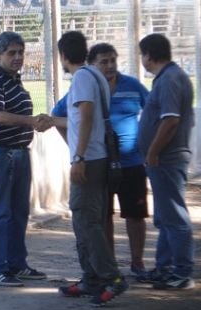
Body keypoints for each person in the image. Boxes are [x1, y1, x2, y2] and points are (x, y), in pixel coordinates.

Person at [51, 43, 150, 277]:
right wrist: (77, 150)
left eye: (113, 60)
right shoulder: (89, 85)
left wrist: (147, 145)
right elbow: (61, 116)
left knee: (135, 215)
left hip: (131, 162)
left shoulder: (131, 86)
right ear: (93, 64)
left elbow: (152, 111)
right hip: (102, 162)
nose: (110, 66)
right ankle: (108, 265)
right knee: (101, 217)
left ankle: (137, 263)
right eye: (104, 61)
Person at [55, 31, 128, 305]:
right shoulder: (94, 75)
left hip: (90, 159)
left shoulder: (83, 78)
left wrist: (79, 157)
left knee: (87, 220)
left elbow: (85, 115)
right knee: (83, 220)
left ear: (62, 55)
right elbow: (80, 120)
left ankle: (112, 277)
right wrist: (51, 122)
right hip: (95, 156)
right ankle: (92, 278)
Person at [0, 31, 53, 287]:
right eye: (12, 53)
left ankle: (16, 264)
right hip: (1, 153)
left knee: (18, 213)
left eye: (21, 52)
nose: (18, 57)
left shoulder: (12, 79)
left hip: (19, 152)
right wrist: (31, 121)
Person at [135, 33, 196, 290]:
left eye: (143, 55)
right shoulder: (168, 78)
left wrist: (153, 152)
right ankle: (165, 267)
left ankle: (182, 271)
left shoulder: (170, 80)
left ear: (149, 54)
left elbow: (170, 120)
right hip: (164, 158)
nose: (142, 60)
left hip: (166, 158)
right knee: (164, 216)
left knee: (173, 215)